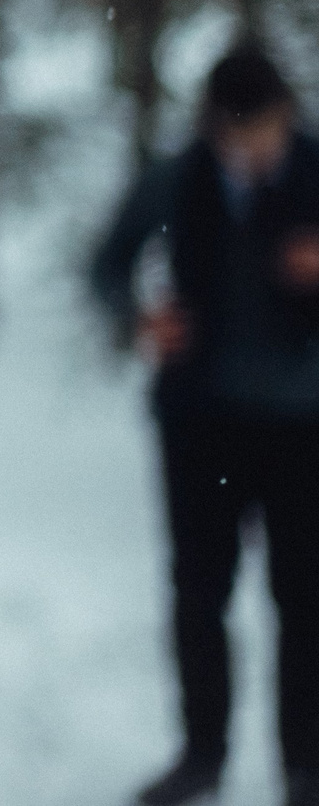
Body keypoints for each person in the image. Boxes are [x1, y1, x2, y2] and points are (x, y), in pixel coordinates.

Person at [94, 44, 319, 806]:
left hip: (304, 423)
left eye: (261, 131)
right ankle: (201, 753)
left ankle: (306, 764)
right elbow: (107, 262)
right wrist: (139, 318)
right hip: (199, 421)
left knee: (308, 595)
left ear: (286, 115)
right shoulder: (179, 175)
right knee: (199, 590)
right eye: (235, 133)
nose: (249, 149)